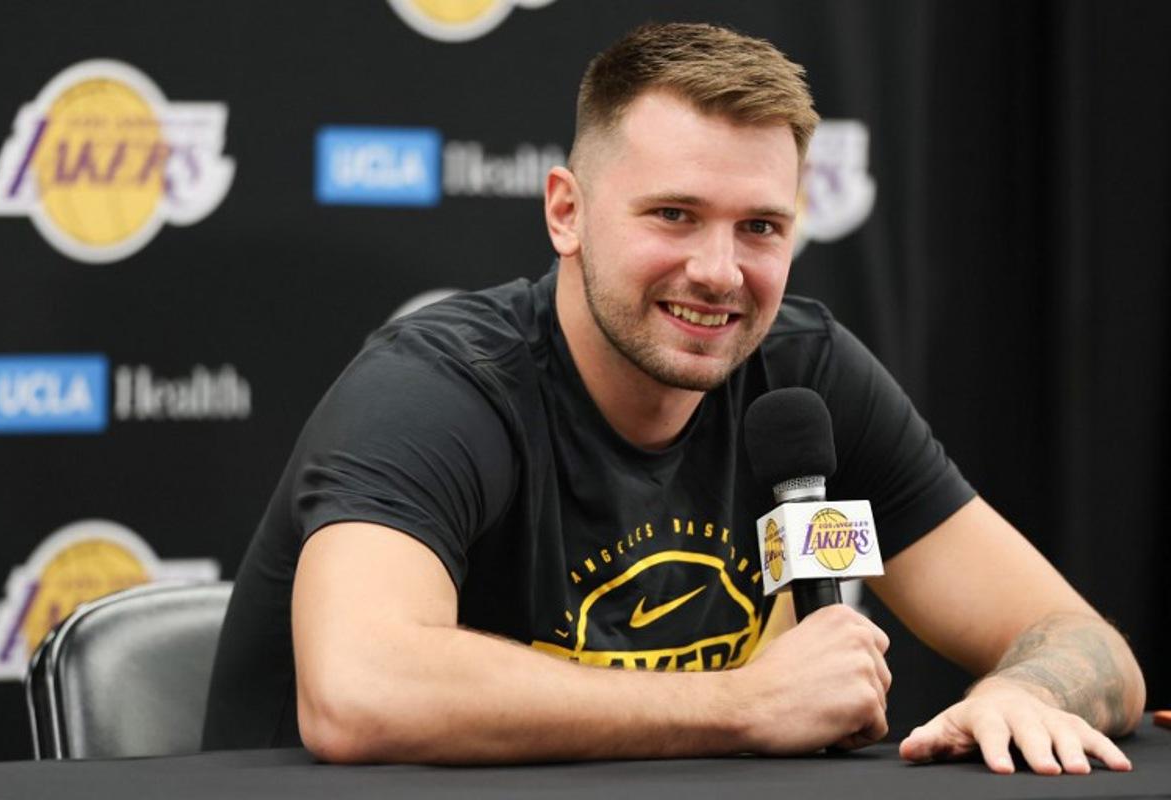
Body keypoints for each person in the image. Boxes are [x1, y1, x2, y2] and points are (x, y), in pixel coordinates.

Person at [203, 22, 1145, 771]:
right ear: (565, 212)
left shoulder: (805, 373)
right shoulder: (440, 388)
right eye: (674, 215)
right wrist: (745, 706)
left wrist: (1028, 691)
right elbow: (359, 690)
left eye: (761, 227)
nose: (720, 271)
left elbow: (1084, 644)